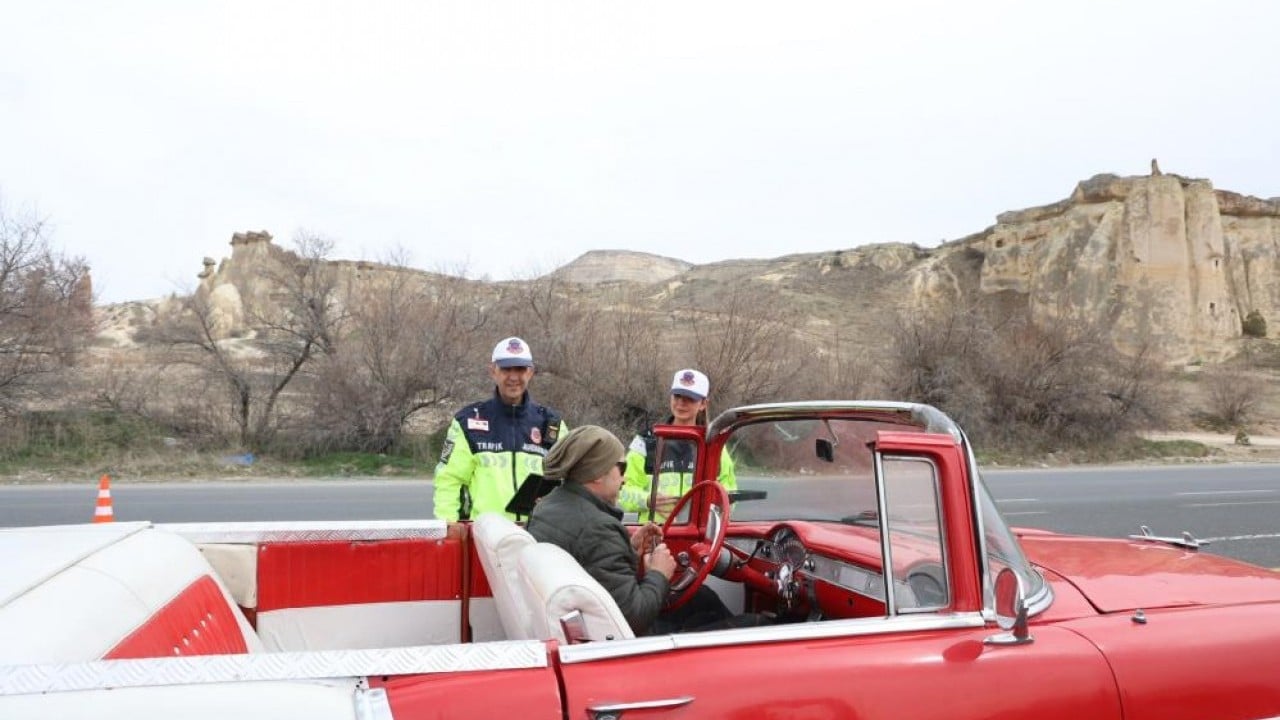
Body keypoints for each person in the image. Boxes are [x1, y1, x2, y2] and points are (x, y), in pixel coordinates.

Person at [527, 425, 747, 636]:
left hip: (587, 621)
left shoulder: (547, 506)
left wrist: (629, 549)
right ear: (597, 473)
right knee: (754, 623)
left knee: (702, 598)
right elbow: (635, 618)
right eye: (620, 468)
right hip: (623, 642)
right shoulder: (598, 529)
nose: (623, 479)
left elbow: (593, 567)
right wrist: (659, 574)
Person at [433, 336, 567, 522]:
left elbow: (569, 481)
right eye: (506, 369)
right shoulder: (468, 421)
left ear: (530, 372)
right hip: (486, 536)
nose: (513, 377)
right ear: (493, 371)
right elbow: (448, 479)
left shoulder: (551, 423)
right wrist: (448, 525)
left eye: (520, 369)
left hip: (539, 534)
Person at [620, 368, 737, 522]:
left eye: (690, 398)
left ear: (703, 404)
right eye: (677, 396)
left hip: (698, 537)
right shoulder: (646, 442)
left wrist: (706, 505)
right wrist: (648, 500)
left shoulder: (713, 445)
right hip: (653, 537)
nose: (681, 403)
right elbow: (623, 493)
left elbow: (729, 495)